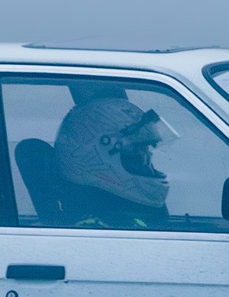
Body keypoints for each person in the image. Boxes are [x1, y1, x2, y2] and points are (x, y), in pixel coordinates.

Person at [52, 94, 175, 227]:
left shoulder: (120, 218)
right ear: (93, 157)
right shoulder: (93, 230)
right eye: (136, 150)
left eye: (145, 149)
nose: (145, 160)